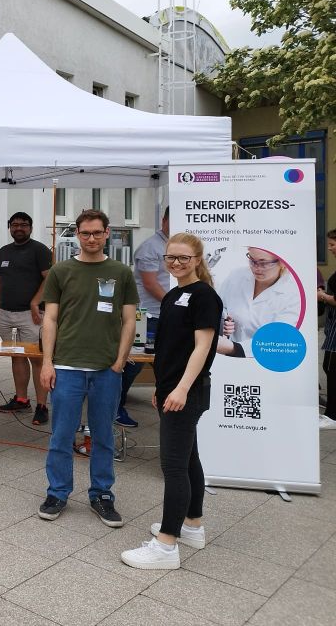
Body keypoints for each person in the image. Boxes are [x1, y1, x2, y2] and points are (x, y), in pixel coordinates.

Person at [121, 232, 222, 569]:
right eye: (170, 257)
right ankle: (192, 525)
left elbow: (202, 348)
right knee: (189, 459)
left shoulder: (204, 296)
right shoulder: (173, 295)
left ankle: (165, 546)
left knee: (174, 467)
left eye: (183, 258)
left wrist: (180, 389)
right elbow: (170, 347)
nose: (176, 263)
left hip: (187, 392)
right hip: (171, 389)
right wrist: (162, 387)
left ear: (197, 260)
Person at [38, 209, 137, 527]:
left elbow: (129, 320)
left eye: (97, 232)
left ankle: (102, 495)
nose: (91, 238)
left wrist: (120, 361)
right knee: (61, 435)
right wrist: (47, 362)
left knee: (103, 436)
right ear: (77, 235)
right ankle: (57, 492)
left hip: (106, 368)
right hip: (67, 366)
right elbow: (50, 319)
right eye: (85, 233)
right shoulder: (61, 271)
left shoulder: (121, 272)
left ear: (107, 233)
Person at [0, 212, 52, 424]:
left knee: (36, 359)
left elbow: (49, 280)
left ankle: (42, 406)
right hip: (6, 313)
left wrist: (35, 302)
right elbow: (0, 282)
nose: (19, 228)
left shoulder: (40, 250)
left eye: (24, 224)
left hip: (31, 316)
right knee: (16, 356)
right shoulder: (4, 251)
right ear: (9, 227)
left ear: (31, 228)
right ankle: (21, 399)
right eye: (15, 224)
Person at [118, 208, 171, 428]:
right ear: (164, 220)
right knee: (133, 363)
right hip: (148, 316)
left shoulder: (178, 245)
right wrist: (175, 305)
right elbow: (150, 284)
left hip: (166, 315)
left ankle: (166, 404)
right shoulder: (151, 247)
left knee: (166, 362)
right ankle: (114, 407)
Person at [217, 247, 299, 357]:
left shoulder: (292, 294)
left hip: (266, 359)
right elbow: (220, 306)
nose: (256, 268)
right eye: (252, 260)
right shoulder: (236, 276)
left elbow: (278, 340)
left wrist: (233, 348)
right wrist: (224, 321)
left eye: (263, 263)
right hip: (228, 355)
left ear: (282, 263)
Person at [318, 229, 336, 429]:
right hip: (332, 329)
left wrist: (322, 296)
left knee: (332, 369)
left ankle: (332, 415)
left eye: (332, 244)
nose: (329, 249)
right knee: (329, 368)